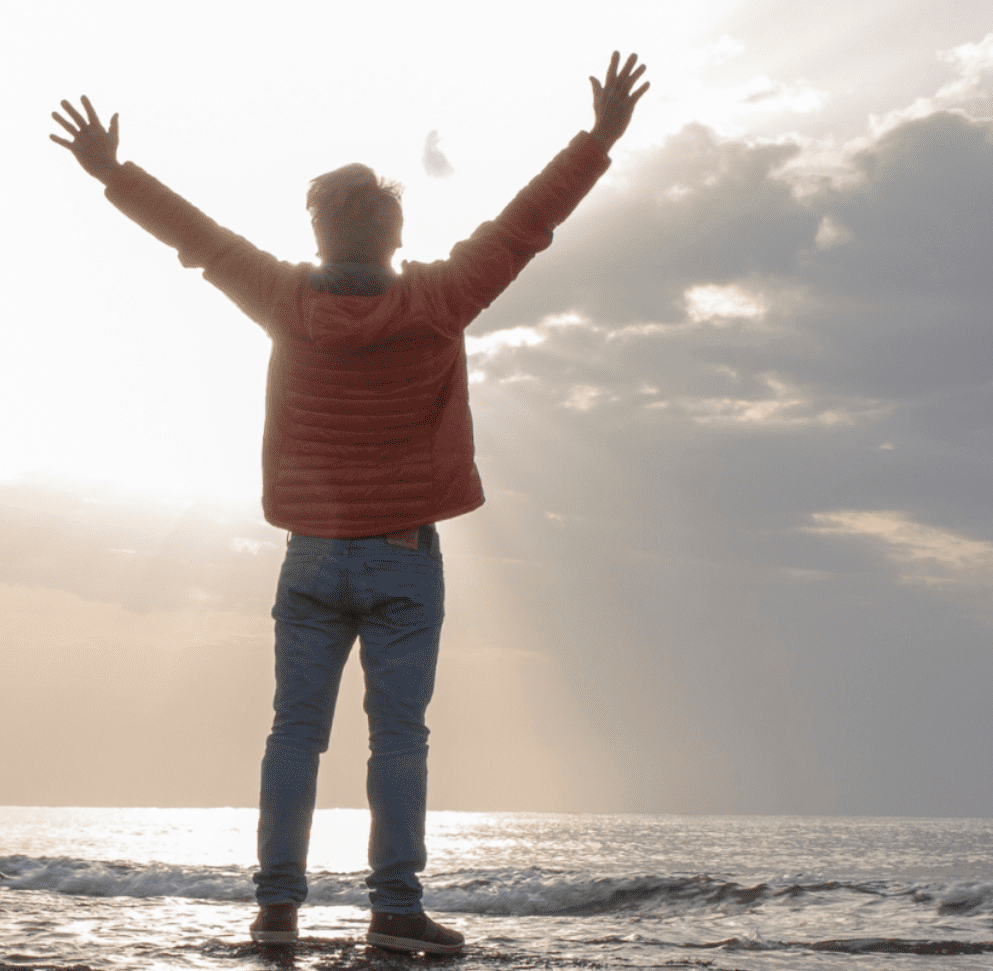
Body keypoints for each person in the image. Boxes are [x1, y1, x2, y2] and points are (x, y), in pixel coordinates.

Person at [50, 52, 648, 954]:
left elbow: (200, 237)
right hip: (405, 554)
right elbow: (526, 226)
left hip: (313, 554)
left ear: (322, 234)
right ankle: (396, 915)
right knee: (398, 741)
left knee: (296, 733)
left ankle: (278, 910)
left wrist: (112, 174)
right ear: (395, 235)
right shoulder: (442, 296)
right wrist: (597, 141)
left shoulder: (285, 297)